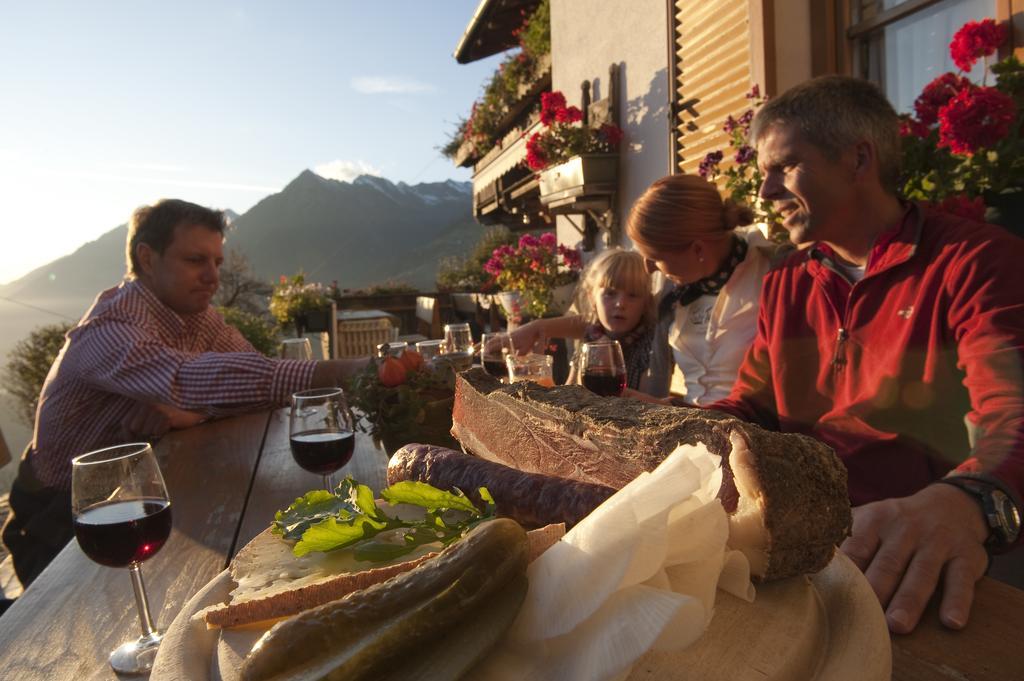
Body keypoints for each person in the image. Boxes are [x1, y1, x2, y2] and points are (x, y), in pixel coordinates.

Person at [709, 75, 1024, 634]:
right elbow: (751, 407)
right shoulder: (787, 282)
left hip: (924, 564)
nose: (765, 194)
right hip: (802, 552)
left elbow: (1012, 413)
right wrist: (671, 426)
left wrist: (970, 500)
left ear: (858, 159)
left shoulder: (973, 261)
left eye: (784, 167)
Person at [1, 198, 367, 588]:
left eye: (217, 262)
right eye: (195, 260)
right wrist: (351, 372)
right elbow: (189, 379)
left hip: (140, 495)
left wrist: (191, 413)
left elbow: (246, 376)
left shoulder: (193, 315)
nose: (212, 276)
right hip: (65, 522)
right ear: (147, 257)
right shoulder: (110, 327)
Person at [628, 174, 779, 404]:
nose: (648, 269)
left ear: (698, 249)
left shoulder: (775, 275)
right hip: (695, 433)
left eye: (655, 258)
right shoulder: (673, 294)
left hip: (762, 434)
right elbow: (659, 387)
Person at [509, 249, 658, 392]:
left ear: (646, 303)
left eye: (632, 295)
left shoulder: (650, 345)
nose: (620, 304)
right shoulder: (591, 335)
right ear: (592, 298)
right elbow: (570, 388)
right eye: (610, 293)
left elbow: (655, 402)